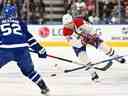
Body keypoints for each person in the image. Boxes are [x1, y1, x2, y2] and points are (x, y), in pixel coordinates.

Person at [0, 3, 50, 95]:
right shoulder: (19, 22)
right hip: (22, 50)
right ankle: (44, 87)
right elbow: (29, 38)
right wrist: (39, 49)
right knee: (30, 71)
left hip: (5, 50)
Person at [62, 13, 126, 82]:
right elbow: (72, 43)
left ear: (72, 21)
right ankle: (93, 74)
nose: (69, 26)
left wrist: (93, 35)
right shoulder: (65, 32)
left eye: (70, 23)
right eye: (67, 25)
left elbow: (90, 29)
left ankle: (116, 57)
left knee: (103, 47)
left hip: (89, 37)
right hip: (78, 43)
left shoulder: (79, 22)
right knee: (82, 57)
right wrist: (81, 42)